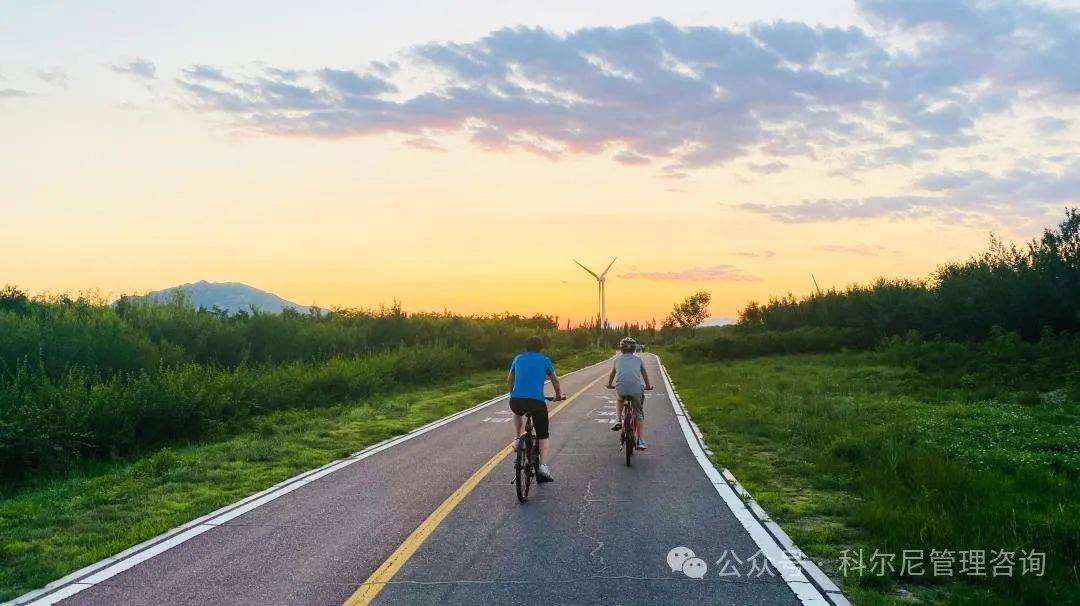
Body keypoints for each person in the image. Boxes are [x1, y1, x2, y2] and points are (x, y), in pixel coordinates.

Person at [508, 336, 563, 482]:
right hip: (536, 403)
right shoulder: (545, 360)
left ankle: (517, 438)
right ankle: (543, 466)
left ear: (526, 347)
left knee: (516, 412)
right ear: (541, 348)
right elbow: (555, 381)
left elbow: (510, 378)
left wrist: (511, 393)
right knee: (543, 434)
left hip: (516, 401)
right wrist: (558, 396)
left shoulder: (518, 359)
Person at [607, 337, 653, 450]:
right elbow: (645, 375)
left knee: (619, 399)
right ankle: (641, 441)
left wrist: (609, 384)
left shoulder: (617, 360)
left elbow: (612, 375)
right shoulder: (638, 360)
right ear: (634, 349)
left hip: (621, 388)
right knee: (638, 413)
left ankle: (618, 420)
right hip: (636, 389)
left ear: (621, 349)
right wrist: (648, 386)